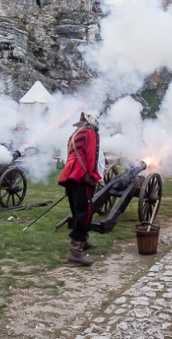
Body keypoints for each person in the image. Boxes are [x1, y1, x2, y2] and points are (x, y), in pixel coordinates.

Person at [58, 111, 102, 266]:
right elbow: (91, 157)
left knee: (78, 211)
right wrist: (93, 176)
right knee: (85, 213)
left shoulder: (74, 134)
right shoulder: (90, 133)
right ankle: (75, 254)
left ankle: (83, 242)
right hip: (81, 175)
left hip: (70, 175)